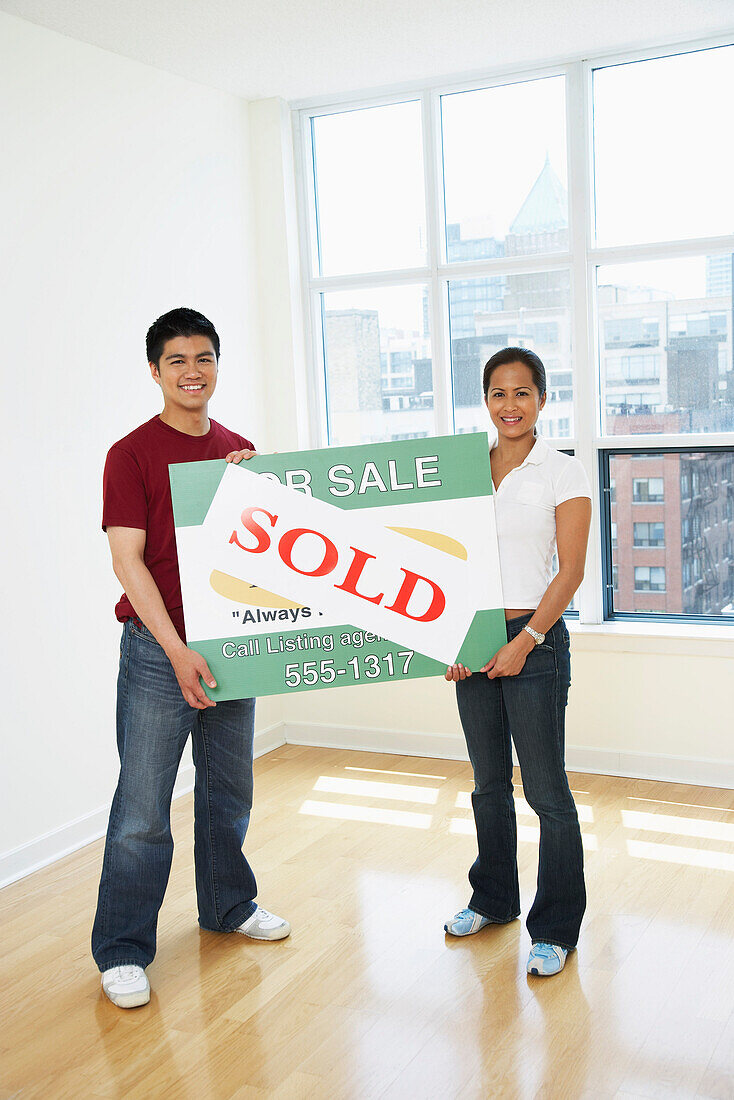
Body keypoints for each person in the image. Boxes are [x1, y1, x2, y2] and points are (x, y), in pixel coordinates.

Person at [92, 307, 289, 1009]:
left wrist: (261, 488)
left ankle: (229, 906)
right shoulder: (131, 453)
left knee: (228, 791)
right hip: (157, 650)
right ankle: (121, 950)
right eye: (176, 360)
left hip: (233, 643)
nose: (192, 371)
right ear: (155, 371)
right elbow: (128, 560)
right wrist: (176, 651)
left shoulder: (239, 450)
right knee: (144, 806)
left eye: (203, 357)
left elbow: (267, 555)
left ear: (216, 365)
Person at [444, 347, 591, 977]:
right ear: (486, 400)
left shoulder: (562, 473)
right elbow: (438, 560)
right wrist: (452, 640)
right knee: (485, 785)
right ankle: (494, 900)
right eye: (499, 394)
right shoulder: (459, 470)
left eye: (522, 393)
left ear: (542, 399)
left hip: (534, 642)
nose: (510, 406)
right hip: (473, 643)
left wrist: (525, 640)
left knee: (546, 792)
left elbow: (572, 572)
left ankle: (555, 927)